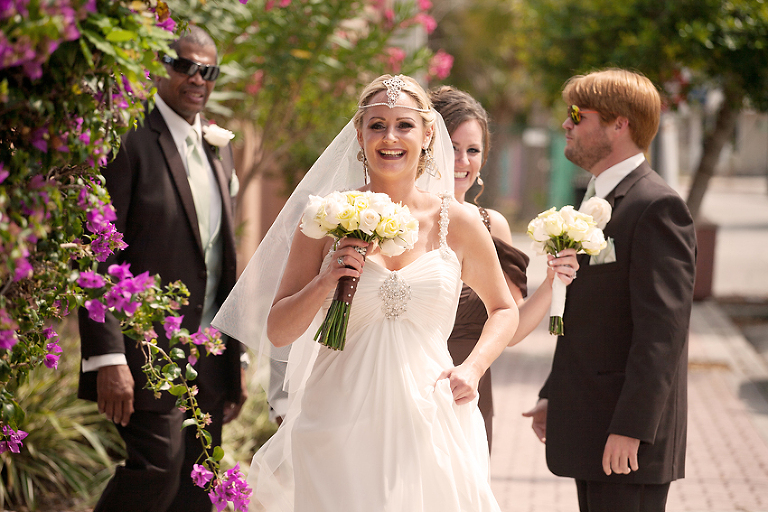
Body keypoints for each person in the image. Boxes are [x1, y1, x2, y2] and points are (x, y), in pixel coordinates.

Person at [213, 74, 517, 511]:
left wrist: (473, 368)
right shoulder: (323, 218)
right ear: (359, 135)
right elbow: (278, 331)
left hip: (428, 414)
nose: (390, 137)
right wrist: (325, 281)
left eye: (404, 125)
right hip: (337, 421)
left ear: (428, 135)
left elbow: (504, 309)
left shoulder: (460, 223)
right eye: (377, 125)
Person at [77, 26, 246, 512]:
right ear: (159, 67)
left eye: (208, 71)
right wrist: (107, 356)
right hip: (144, 349)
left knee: (195, 488)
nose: (197, 79)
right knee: (156, 469)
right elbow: (97, 250)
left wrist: (236, 355)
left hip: (209, 349)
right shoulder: (127, 140)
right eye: (185, 66)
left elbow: (221, 257)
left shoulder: (219, 145)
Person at [523, 69, 697, 512]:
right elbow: (592, 315)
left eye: (577, 114)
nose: (566, 123)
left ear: (620, 124)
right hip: (591, 421)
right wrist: (554, 392)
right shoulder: (597, 199)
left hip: (626, 441)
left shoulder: (657, 206)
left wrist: (632, 428)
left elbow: (662, 333)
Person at [430, 86, 578, 451]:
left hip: (468, 396)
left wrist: (552, 282)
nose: (462, 161)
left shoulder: (492, 225)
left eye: (473, 150)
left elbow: (510, 328)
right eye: (451, 148)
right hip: (406, 389)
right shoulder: (401, 222)